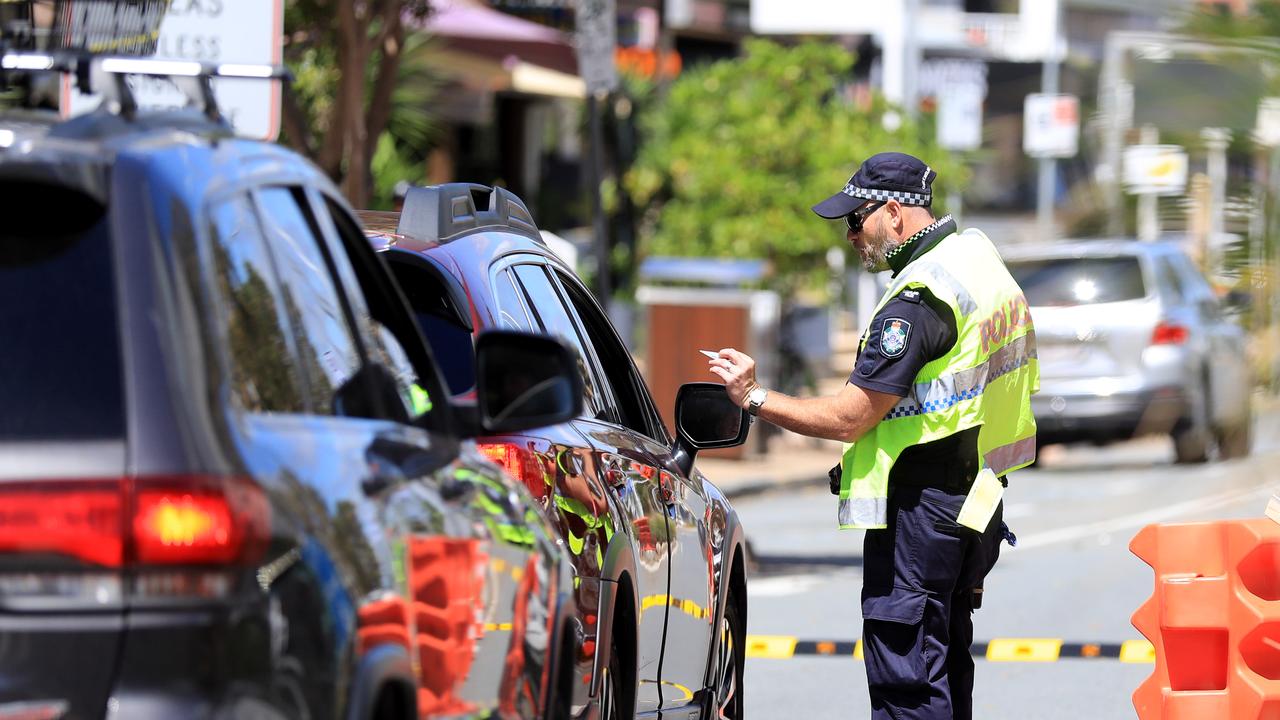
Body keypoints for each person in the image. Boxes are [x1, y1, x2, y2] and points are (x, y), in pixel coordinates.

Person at [707, 152, 1038, 720]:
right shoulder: (975, 259)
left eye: (855, 222)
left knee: (907, 679)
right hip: (974, 498)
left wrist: (754, 397)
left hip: (921, 511)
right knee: (946, 666)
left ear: (894, 212)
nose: (850, 237)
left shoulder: (918, 301)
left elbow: (850, 418)